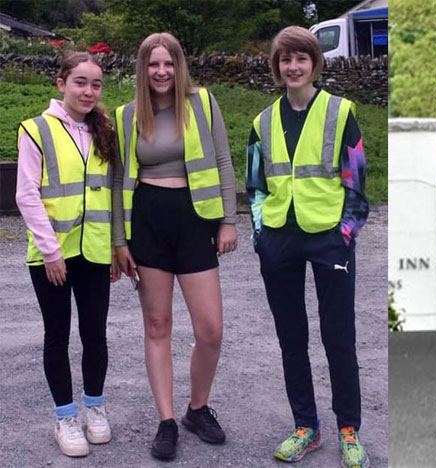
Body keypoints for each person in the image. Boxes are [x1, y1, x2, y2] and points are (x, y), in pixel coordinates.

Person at [246, 25, 371, 467]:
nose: (292, 66)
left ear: (315, 63)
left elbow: (357, 183)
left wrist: (346, 234)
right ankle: (306, 427)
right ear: (277, 67)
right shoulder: (262, 121)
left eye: (301, 58)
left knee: (339, 337)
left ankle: (349, 430)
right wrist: (262, 235)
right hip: (280, 240)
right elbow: (255, 187)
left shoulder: (340, 113)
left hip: (329, 241)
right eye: (285, 60)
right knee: (291, 339)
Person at [113, 32, 238, 460]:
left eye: (168, 64)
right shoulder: (127, 114)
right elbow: (117, 182)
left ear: (179, 65)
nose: (161, 72)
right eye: (153, 65)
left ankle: (197, 408)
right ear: (142, 69)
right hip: (147, 221)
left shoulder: (202, 104)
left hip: (194, 219)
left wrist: (227, 218)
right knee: (157, 325)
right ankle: (166, 420)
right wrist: (119, 241)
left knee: (211, 329)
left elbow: (222, 159)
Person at [15, 51, 121, 458]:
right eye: (80, 82)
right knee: (57, 335)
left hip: (95, 252)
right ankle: (65, 416)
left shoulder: (104, 130)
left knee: (95, 334)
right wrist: (50, 251)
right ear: (61, 83)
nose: (88, 91)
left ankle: (94, 407)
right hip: (52, 256)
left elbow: (111, 193)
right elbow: (27, 194)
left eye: (95, 84)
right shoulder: (36, 129)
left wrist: (115, 247)